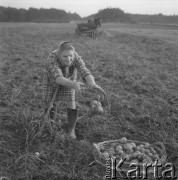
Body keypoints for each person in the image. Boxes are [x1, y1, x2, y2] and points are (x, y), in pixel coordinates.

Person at [42, 41, 106, 140]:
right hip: (52, 78)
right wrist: (74, 84)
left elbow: (84, 70)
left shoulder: (75, 56)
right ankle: (50, 124)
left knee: (71, 100)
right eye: (65, 56)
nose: (69, 59)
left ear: (73, 53)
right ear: (59, 55)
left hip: (69, 76)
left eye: (70, 56)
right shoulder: (52, 59)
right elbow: (58, 79)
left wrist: (92, 83)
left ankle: (71, 129)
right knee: (49, 101)